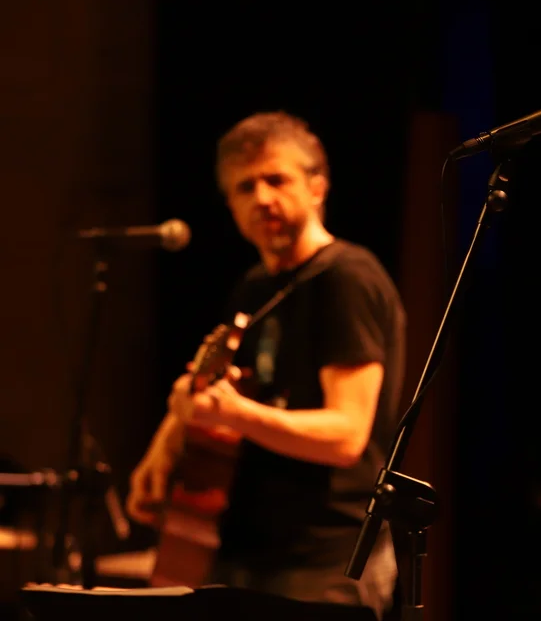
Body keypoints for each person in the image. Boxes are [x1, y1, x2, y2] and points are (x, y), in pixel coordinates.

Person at [125, 111, 406, 621]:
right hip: (244, 547)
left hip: (326, 559)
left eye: (276, 180)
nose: (261, 198)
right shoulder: (255, 287)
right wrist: (163, 449)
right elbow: (214, 388)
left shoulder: (347, 278)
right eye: (244, 187)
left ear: (317, 187)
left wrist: (235, 414)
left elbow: (346, 436)